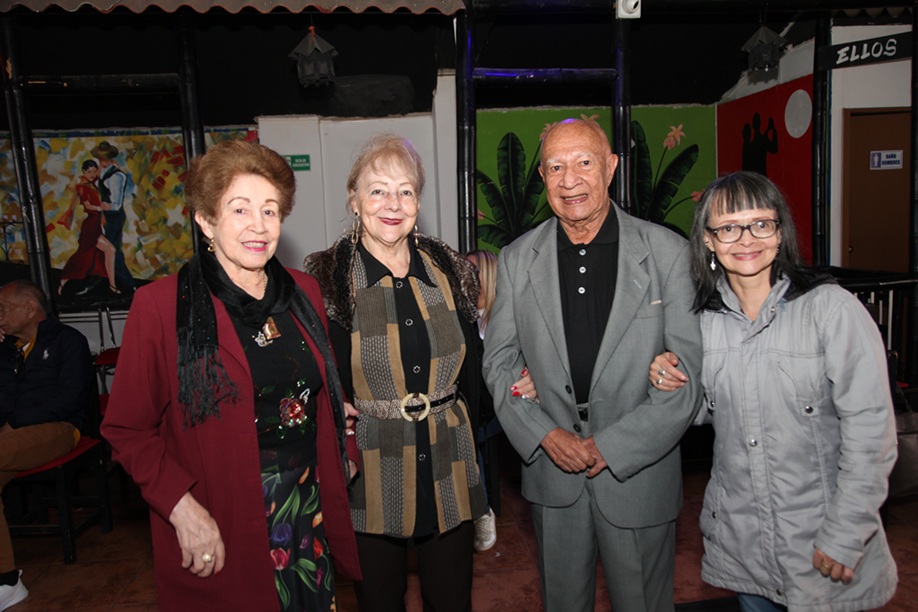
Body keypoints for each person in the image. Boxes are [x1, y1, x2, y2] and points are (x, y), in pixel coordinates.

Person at [100, 140, 360, 611]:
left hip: (306, 507)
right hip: (222, 511)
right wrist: (182, 510)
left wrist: (341, 436)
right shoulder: (160, 307)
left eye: (270, 210)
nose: (258, 227)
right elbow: (127, 429)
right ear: (206, 219)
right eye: (239, 209)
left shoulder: (303, 291)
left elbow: (322, 385)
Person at [648, 171, 898, 612]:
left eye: (760, 224)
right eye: (728, 228)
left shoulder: (830, 310)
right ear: (708, 241)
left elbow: (871, 433)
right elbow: (702, 411)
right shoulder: (703, 324)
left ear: (780, 232)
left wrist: (846, 533)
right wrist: (667, 376)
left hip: (821, 545)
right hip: (745, 548)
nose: (745, 239)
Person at [482, 117, 703, 612]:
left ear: (610, 168)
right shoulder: (518, 259)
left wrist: (610, 446)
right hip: (553, 478)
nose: (569, 179)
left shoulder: (667, 253)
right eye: (555, 166)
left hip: (638, 476)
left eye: (584, 162)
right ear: (542, 178)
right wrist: (545, 435)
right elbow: (498, 364)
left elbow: (686, 377)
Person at [304, 134, 530, 612]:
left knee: (452, 601)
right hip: (370, 467)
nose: (393, 203)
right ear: (354, 199)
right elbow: (314, 371)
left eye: (405, 191)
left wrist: (518, 381)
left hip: (450, 461)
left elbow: (476, 365)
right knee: (379, 602)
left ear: (418, 201)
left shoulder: (449, 269)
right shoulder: (327, 279)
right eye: (378, 190)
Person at [0, 280, 93, 611]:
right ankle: (6, 582)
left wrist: (17, 422)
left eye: (2, 309)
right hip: (11, 437)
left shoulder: (68, 340)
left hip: (57, 429)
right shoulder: (7, 351)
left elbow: (69, 399)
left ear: (28, 309)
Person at [465, 249, 537, 553]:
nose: (464, 278)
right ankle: (479, 504)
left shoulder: (508, 319)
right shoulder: (464, 318)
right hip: (481, 405)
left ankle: (481, 504)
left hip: (503, 405)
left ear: (488, 277)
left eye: (471, 273)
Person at [58, 159, 118, 296]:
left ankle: (112, 285)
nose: (92, 174)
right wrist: (100, 207)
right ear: (84, 172)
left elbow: (101, 173)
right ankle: (112, 286)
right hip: (90, 226)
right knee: (91, 254)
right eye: (89, 171)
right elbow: (87, 205)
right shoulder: (83, 187)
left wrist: (110, 164)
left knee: (94, 254)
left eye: (94, 171)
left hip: (95, 224)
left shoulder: (92, 185)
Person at [92, 141, 135, 293]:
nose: (103, 161)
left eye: (105, 159)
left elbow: (116, 204)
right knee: (109, 250)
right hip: (105, 217)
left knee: (112, 250)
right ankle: (119, 283)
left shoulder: (116, 176)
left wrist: (103, 205)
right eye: (101, 159)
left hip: (114, 217)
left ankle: (125, 284)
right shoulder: (101, 173)